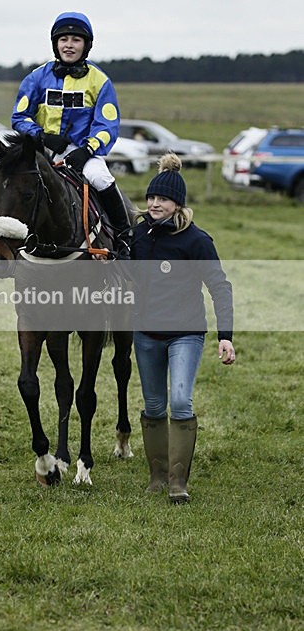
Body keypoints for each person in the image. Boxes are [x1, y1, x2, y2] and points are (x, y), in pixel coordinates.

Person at [130, 153, 235, 504]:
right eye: (151, 198)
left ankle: (178, 483)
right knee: (154, 405)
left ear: (178, 205)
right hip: (145, 334)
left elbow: (220, 286)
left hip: (185, 334)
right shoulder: (138, 235)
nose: (154, 204)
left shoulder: (196, 240)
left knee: (179, 399)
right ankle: (157, 477)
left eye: (162, 199)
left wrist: (226, 336)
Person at [11, 11, 131, 257]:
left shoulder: (100, 81)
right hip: (41, 150)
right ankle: (8, 244)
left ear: (86, 45)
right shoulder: (36, 78)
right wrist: (41, 136)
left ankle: (125, 238)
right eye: (63, 39)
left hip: (82, 153)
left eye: (76, 40)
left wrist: (86, 150)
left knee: (101, 179)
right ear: (55, 44)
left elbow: (107, 125)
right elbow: (19, 117)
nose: (69, 45)